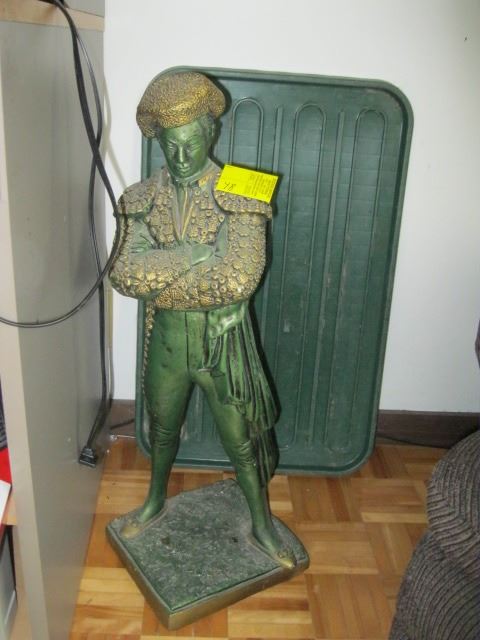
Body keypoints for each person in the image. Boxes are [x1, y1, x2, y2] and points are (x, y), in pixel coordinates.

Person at [109, 71, 295, 569]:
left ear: (211, 131)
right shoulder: (139, 199)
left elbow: (237, 278)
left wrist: (161, 278)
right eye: (171, 145)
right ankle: (154, 500)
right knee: (162, 429)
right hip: (168, 343)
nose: (181, 156)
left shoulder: (243, 190)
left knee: (241, 441)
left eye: (191, 143)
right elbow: (124, 275)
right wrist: (193, 254)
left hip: (222, 344)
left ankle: (261, 523)